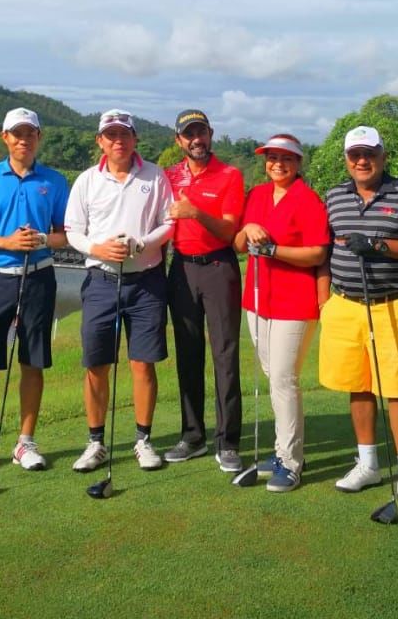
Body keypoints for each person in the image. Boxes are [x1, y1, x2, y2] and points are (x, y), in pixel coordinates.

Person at [320, 124, 398, 514]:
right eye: (355, 155)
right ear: (347, 159)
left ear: (383, 156)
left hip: (389, 304)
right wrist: (324, 303)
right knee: (358, 386)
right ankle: (367, 464)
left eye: (369, 154)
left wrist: (377, 245)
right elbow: (322, 250)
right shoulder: (334, 196)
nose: (362, 161)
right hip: (345, 304)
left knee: (397, 391)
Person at [0, 107, 70, 475]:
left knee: (32, 363)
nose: (24, 139)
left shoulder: (53, 181)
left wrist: (39, 239)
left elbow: (66, 235)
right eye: (16, 133)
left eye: (30, 133)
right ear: (5, 137)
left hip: (39, 277)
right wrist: (6, 242)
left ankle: (25, 443)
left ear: (38, 137)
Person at [64, 109, 175, 473]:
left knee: (142, 364)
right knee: (96, 365)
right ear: (100, 141)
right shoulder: (86, 181)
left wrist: (142, 243)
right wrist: (96, 249)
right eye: (110, 135)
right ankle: (96, 442)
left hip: (146, 282)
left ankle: (143, 440)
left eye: (124, 134)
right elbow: (73, 231)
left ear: (134, 139)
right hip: (101, 281)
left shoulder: (155, 175)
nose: (118, 141)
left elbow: (169, 222)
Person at [233, 134, 329, 493]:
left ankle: (290, 462)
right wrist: (247, 228)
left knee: (283, 380)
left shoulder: (308, 200)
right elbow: (239, 245)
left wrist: (273, 249)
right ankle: (279, 452)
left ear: (298, 162)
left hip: (295, 302)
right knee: (274, 376)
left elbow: (317, 254)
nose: (278, 163)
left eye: (286, 158)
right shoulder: (257, 195)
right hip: (257, 301)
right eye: (272, 157)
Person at [163, 109, 247, 472]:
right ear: (179, 140)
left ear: (211, 135)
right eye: (189, 134)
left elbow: (230, 232)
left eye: (202, 132)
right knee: (188, 354)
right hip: (180, 268)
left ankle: (227, 441)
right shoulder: (169, 176)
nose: (196, 139)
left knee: (225, 355)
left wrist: (195, 212)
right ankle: (192, 435)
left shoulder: (229, 175)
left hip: (218, 267)